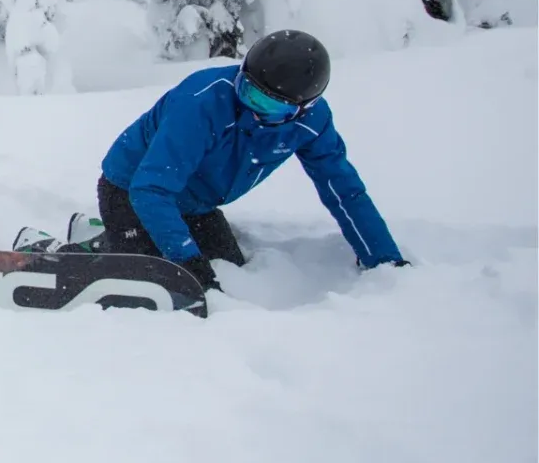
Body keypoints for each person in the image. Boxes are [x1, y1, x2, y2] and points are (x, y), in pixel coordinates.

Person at [40, 29, 409, 291]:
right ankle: (69, 252)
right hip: (131, 188)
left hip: (195, 203)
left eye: (268, 103)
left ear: (301, 108)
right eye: (247, 88)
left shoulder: (312, 124)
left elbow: (344, 192)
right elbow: (150, 189)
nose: (251, 105)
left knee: (228, 269)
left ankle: (109, 235)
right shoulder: (202, 103)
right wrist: (185, 259)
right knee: (155, 277)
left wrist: (383, 260)